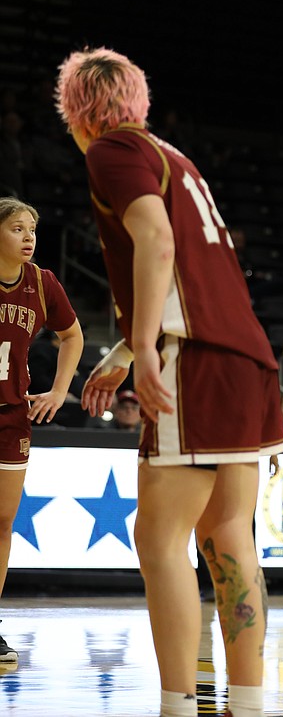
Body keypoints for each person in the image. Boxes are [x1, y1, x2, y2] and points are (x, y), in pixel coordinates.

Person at [57, 46, 283, 717]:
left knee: (159, 540)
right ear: (139, 98)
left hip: (197, 355)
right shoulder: (174, 157)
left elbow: (157, 244)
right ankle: (245, 704)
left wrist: (144, 346)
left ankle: (177, 706)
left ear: (78, 108)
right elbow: (191, 266)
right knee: (229, 538)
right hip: (247, 357)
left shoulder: (111, 151)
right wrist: (128, 353)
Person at [0, 197, 83, 663]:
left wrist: (57, 390)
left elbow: (72, 336)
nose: (28, 236)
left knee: (2, 523)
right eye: (16, 228)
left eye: (32, 228)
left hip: (12, 414)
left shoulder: (41, 282)